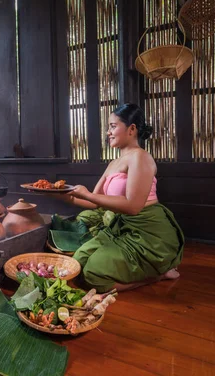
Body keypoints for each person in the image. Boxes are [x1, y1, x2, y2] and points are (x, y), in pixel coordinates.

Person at [55, 103, 184, 293]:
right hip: (120, 228)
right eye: (108, 127)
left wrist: (87, 194)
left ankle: (157, 275)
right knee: (77, 262)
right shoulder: (114, 163)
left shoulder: (140, 157)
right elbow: (93, 201)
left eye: (113, 126)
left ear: (132, 129)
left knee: (93, 274)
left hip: (146, 233)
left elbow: (133, 206)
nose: (108, 132)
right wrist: (61, 195)